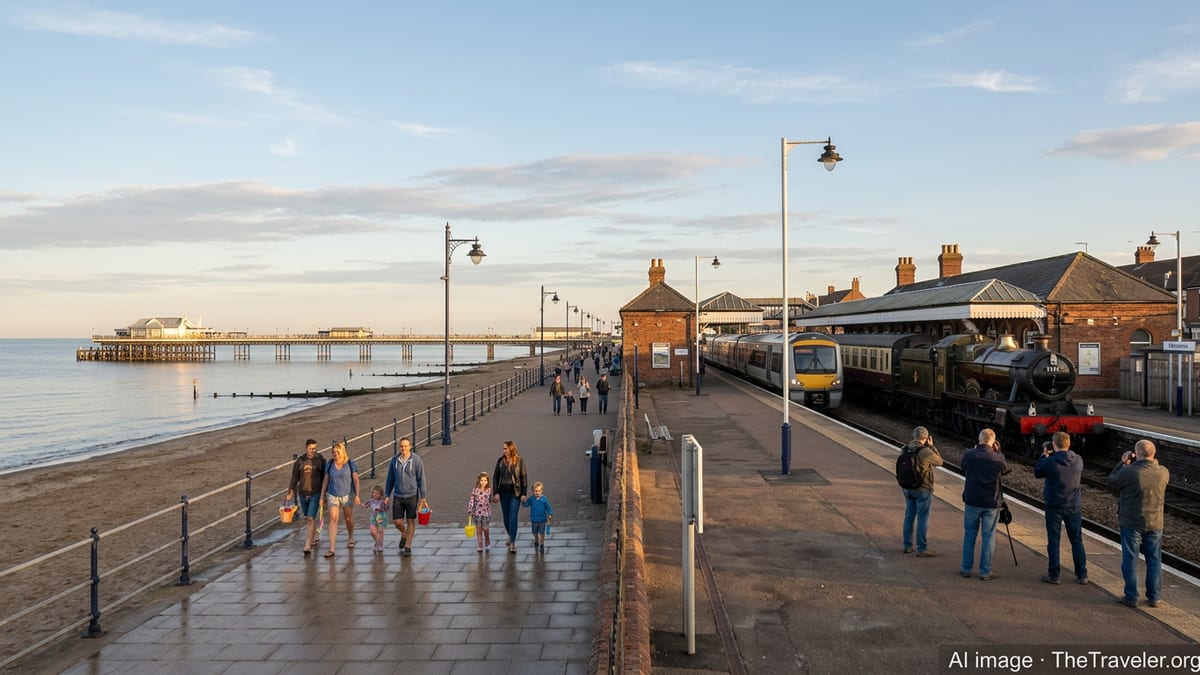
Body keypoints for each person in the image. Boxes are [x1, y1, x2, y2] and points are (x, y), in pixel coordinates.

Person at [1109, 439, 1170, 608]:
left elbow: (1112, 480)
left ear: (1137, 454)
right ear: (1153, 454)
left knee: (1130, 559)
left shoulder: (1129, 472)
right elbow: (1154, 467)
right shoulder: (1163, 472)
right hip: (1155, 522)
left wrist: (1122, 463)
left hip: (1131, 521)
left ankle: (1131, 596)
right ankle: (1155, 597)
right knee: (1154, 559)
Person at [1034, 431, 1088, 585]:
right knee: (1077, 539)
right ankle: (1082, 574)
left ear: (1054, 444)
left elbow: (1037, 472)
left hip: (1054, 505)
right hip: (1073, 505)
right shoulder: (1078, 460)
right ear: (1069, 444)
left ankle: (1054, 574)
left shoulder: (1050, 461)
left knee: (1053, 540)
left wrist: (1044, 455)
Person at [960, 428, 1009, 580]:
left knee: (969, 535)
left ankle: (966, 568)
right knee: (988, 537)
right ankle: (985, 571)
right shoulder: (998, 458)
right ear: (993, 442)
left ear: (979, 440)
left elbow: (963, 467)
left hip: (972, 500)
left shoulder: (969, 455)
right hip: (991, 502)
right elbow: (1006, 470)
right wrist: (999, 452)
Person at [899, 426, 943, 557]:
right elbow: (939, 462)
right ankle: (922, 548)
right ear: (926, 438)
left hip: (907, 487)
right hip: (923, 488)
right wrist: (932, 447)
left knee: (909, 516)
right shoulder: (925, 451)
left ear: (914, 436)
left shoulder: (904, 449)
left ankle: (907, 545)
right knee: (923, 518)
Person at [384, 437, 427, 557]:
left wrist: (423, 496)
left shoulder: (416, 460)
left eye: (405, 446)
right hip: (398, 495)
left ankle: (408, 546)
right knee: (397, 521)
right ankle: (403, 533)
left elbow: (421, 478)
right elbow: (390, 479)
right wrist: (387, 494)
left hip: (412, 495)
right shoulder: (394, 461)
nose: (403, 448)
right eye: (401, 446)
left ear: (410, 447)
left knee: (410, 520)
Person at [319, 441, 361, 558]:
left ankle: (351, 536)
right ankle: (332, 547)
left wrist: (357, 494)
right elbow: (326, 480)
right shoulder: (330, 464)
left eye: (337, 452)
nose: (335, 454)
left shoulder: (350, 463)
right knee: (333, 518)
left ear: (343, 452)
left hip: (347, 494)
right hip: (333, 494)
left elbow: (356, 480)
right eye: (333, 452)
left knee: (348, 517)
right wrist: (322, 496)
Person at [286, 438, 325, 557]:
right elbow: (294, 477)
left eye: (314, 448)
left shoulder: (320, 460)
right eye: (310, 448)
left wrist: (324, 495)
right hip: (303, 493)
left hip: (316, 493)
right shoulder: (300, 461)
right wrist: (290, 491)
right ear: (306, 448)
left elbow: (325, 478)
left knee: (310, 518)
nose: (312, 451)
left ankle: (307, 544)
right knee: (308, 517)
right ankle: (314, 536)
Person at [492, 440, 529, 553]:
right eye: (503, 449)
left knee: (513, 517)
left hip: (515, 493)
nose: (504, 451)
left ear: (511, 449)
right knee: (506, 519)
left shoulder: (519, 461)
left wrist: (523, 494)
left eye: (506, 449)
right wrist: (496, 493)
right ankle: (511, 535)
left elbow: (524, 478)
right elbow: (495, 477)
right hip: (503, 493)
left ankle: (512, 542)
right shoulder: (500, 461)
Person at [467, 471, 493, 552]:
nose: (483, 482)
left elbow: (490, 500)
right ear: (479, 481)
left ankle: (487, 540)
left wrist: (494, 499)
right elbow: (472, 500)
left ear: (487, 481)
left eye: (485, 480)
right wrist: (470, 510)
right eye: (481, 480)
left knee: (485, 529)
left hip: (486, 513)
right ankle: (480, 544)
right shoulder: (475, 490)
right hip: (477, 513)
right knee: (478, 530)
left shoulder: (489, 490)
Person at [526, 481, 554, 553]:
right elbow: (526, 504)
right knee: (534, 532)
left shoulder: (544, 499)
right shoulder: (531, 499)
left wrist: (550, 513)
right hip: (534, 519)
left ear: (541, 491)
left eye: (539, 491)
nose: (537, 492)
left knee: (542, 533)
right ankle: (536, 539)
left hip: (542, 520)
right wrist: (523, 501)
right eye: (535, 491)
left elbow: (548, 507)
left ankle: (542, 544)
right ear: (533, 491)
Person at [365, 485, 388, 554]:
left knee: (380, 531)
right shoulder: (371, 500)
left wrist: (385, 504)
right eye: (374, 493)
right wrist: (363, 505)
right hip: (373, 517)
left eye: (377, 493)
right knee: (373, 532)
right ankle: (378, 542)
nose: (375, 494)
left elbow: (386, 509)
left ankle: (380, 545)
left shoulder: (382, 501)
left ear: (381, 494)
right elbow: (365, 504)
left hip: (381, 517)